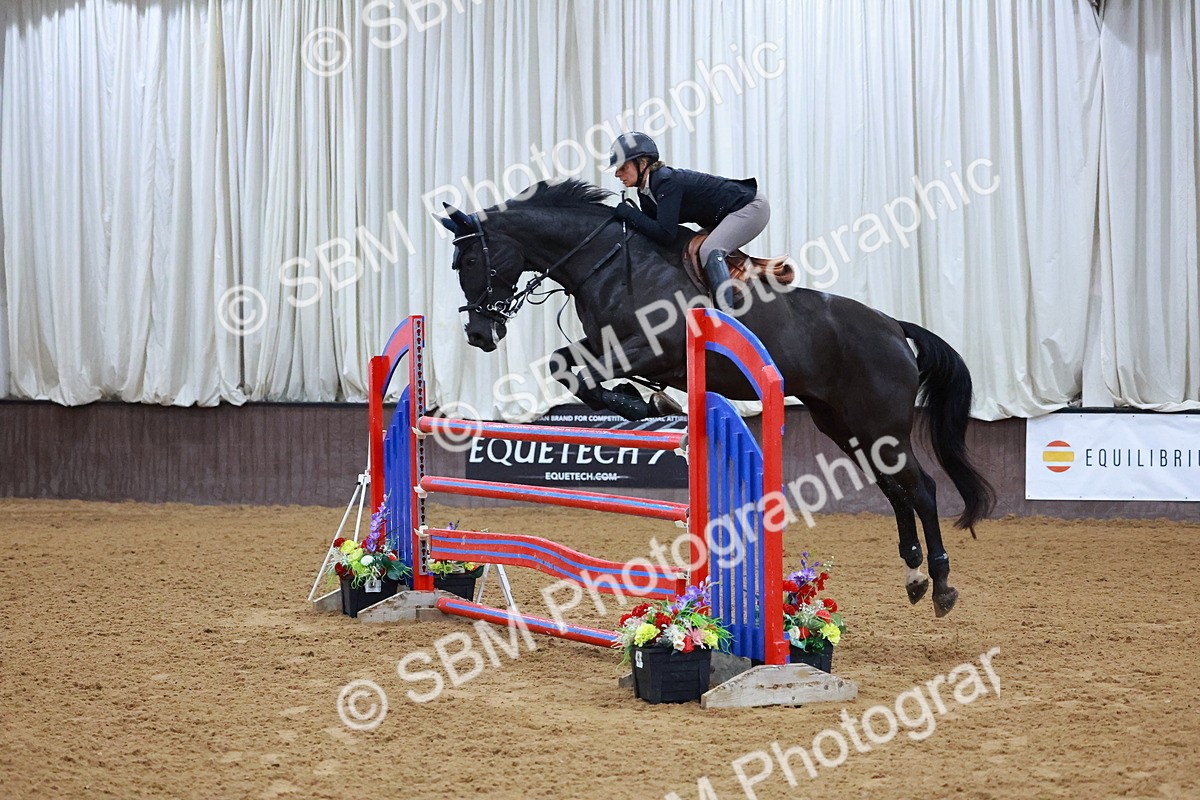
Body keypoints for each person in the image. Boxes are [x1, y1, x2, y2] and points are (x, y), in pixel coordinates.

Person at [608, 131, 770, 309]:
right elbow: (651, 232)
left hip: (750, 207)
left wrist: (630, 213)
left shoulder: (666, 182)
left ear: (643, 163)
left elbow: (665, 233)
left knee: (709, 250)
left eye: (623, 167)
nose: (617, 173)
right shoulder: (646, 191)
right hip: (728, 213)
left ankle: (726, 316)